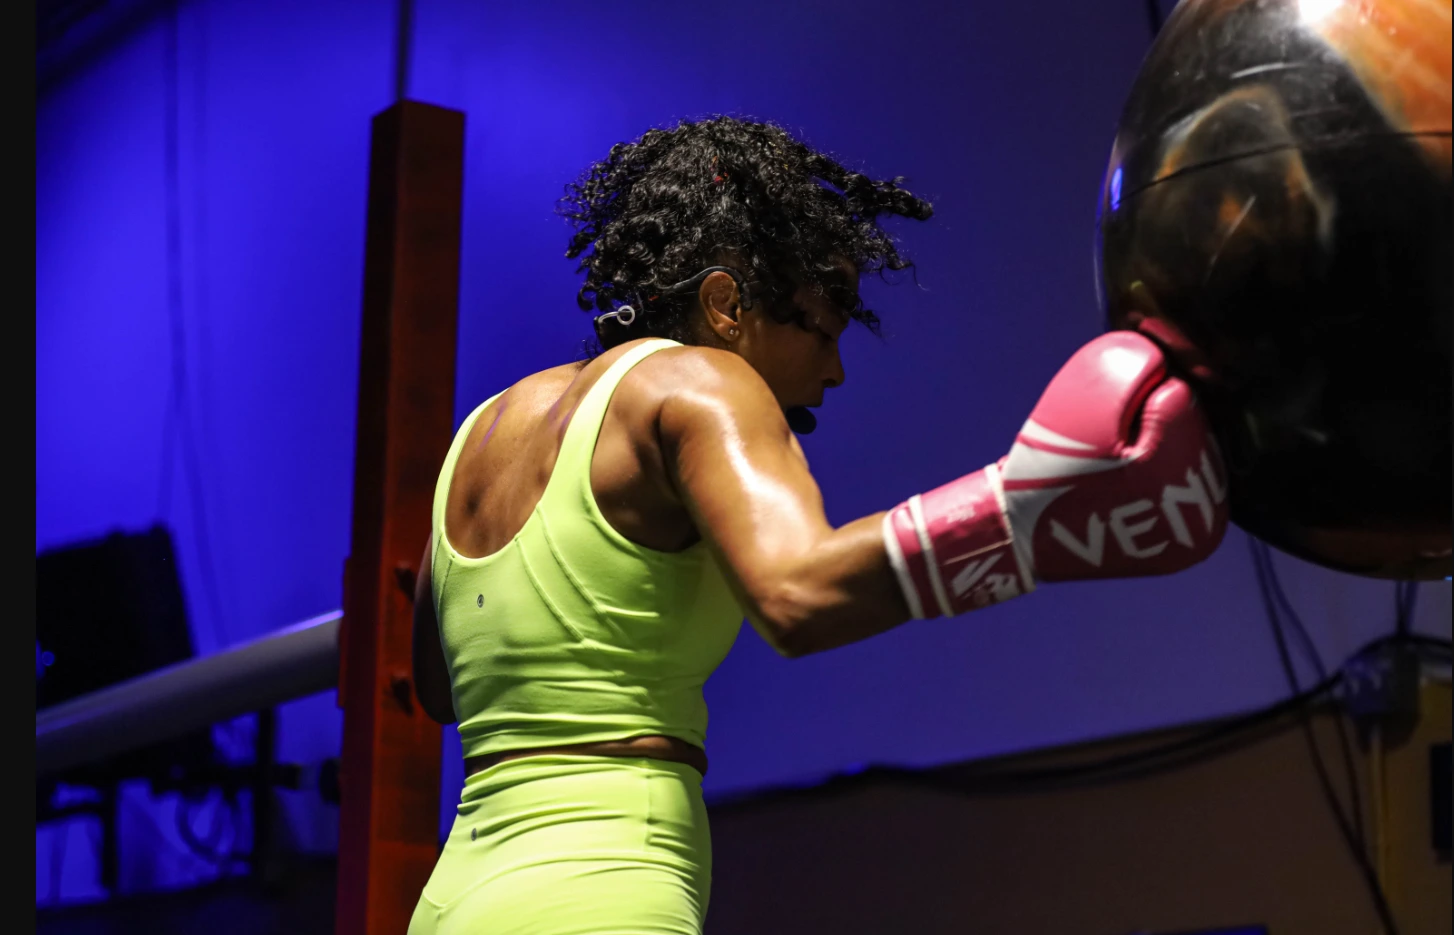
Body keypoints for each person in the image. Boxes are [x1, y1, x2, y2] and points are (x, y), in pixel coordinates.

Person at [406, 116, 1228, 935]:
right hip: (596, 889)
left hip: (454, 894)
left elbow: (441, 688)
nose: (834, 370)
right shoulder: (702, 383)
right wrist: (1021, 516)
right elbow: (795, 593)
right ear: (726, 303)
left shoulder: (482, 430)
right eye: (823, 330)